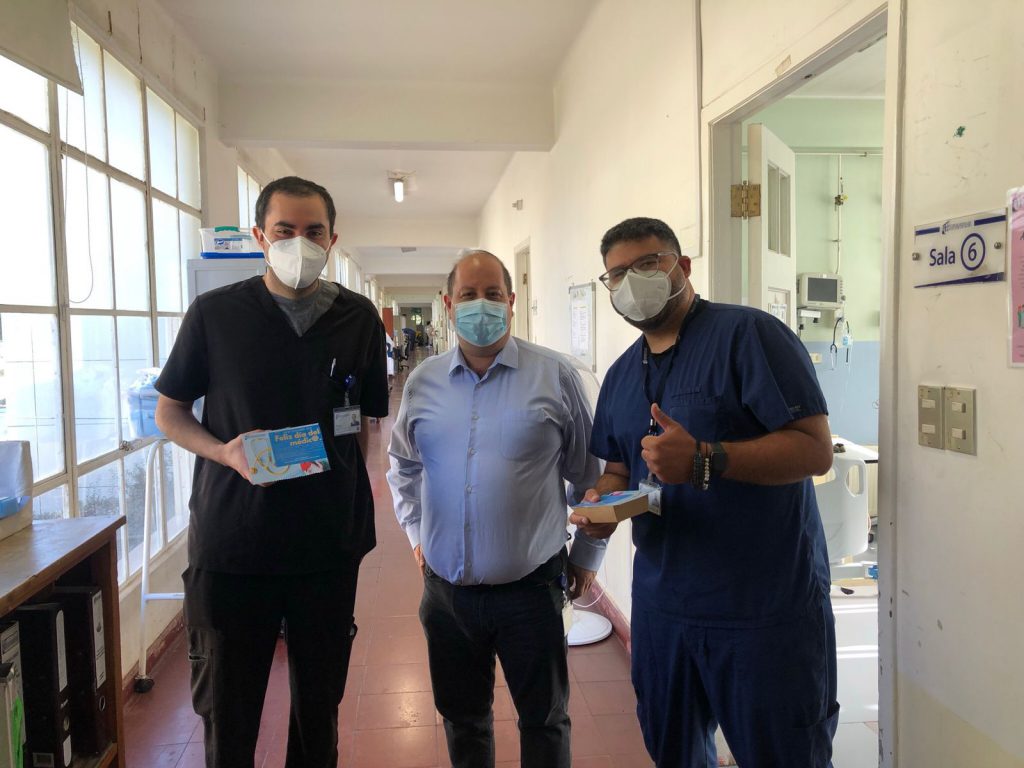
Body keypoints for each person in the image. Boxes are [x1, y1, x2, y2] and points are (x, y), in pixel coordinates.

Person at [570, 217, 838, 767]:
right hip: (664, 609)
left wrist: (705, 459)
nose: (632, 281)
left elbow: (814, 450)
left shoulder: (749, 336)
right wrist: (602, 503)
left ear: (682, 267)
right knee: (674, 750)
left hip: (763, 608)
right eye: (617, 274)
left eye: (648, 264)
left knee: (785, 754)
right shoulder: (620, 376)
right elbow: (617, 469)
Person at [154, 176, 389, 768]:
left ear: (332, 239)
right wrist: (224, 453)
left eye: (313, 231)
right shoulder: (215, 314)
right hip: (235, 544)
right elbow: (169, 412)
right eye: (284, 230)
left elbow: (362, 423)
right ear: (260, 236)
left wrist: (341, 490)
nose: (299, 243)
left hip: (326, 545)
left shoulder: (358, 318)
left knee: (319, 709)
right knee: (229, 710)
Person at [387, 249, 606, 768]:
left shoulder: (555, 376)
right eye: (468, 295)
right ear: (448, 305)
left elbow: (590, 479)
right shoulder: (423, 382)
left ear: (511, 301)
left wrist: (587, 558)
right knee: (463, 721)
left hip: (531, 593)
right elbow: (403, 466)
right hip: (447, 596)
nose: (480, 305)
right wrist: (416, 534)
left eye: (492, 294)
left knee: (545, 721)